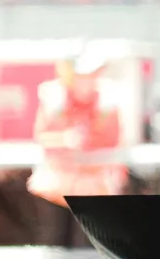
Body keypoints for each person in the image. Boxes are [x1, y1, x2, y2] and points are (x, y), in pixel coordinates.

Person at [29, 49, 128, 209]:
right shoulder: (55, 99)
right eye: (81, 76)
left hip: (95, 180)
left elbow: (114, 144)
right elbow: (41, 138)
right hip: (58, 180)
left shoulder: (107, 102)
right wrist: (64, 139)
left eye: (91, 75)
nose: (86, 81)